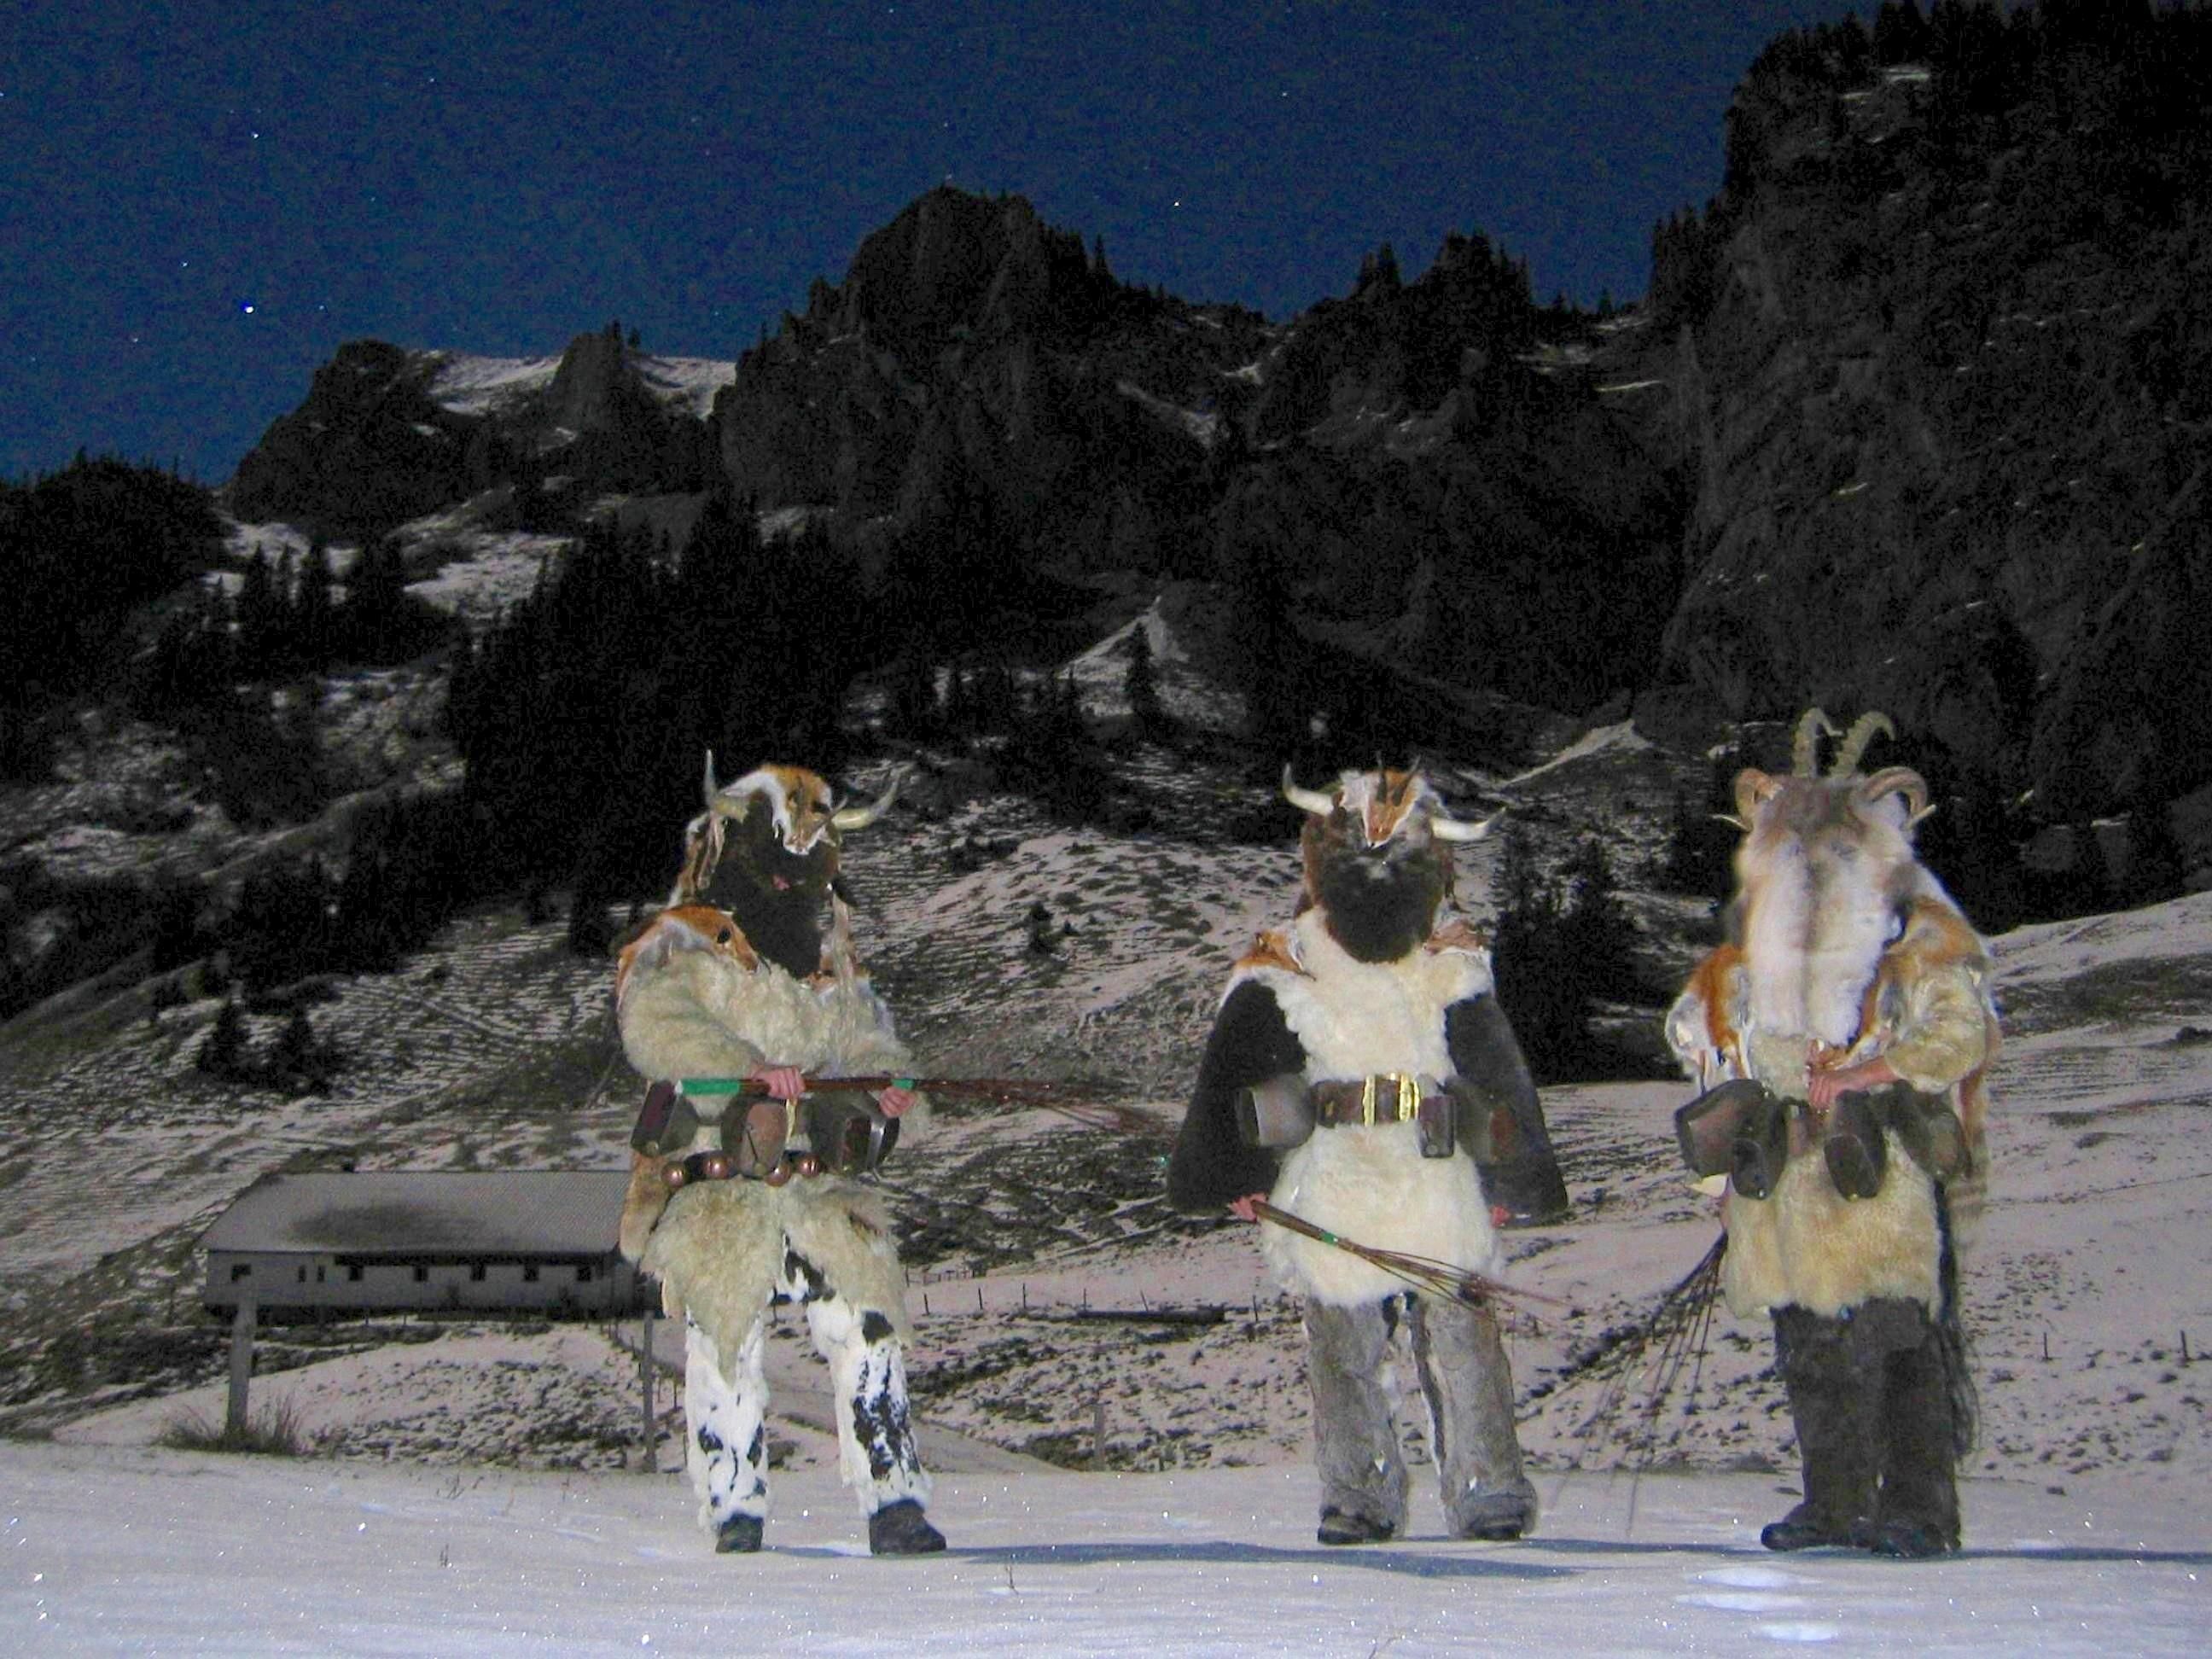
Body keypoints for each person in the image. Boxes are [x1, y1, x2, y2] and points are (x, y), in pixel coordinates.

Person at [1167, 765, 1559, 1545]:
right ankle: (1357, 1497)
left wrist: (1512, 1178)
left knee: (1464, 1341)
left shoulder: (1450, 956)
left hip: (1434, 1166)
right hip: (1333, 1165)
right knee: (1342, 1345)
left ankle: (1488, 1490)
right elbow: (1240, 1058)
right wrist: (1237, 1176)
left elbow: (1489, 1064)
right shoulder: (1290, 959)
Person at [1665, 711, 1996, 1558]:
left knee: (1893, 1336)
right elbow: (1708, 1028)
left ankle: (1919, 1509)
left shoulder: (1911, 921)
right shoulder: (1756, 931)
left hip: (1874, 1156)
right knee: (1806, 1343)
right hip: (1785, 1162)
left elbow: (1962, 1030)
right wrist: (1722, 1156)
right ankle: (1836, 1503)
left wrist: (1867, 1071)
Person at [613, 758, 946, 1556]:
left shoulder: (832, 966)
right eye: (782, 856)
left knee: (869, 1324)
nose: (795, 878)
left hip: (815, 1183)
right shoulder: (682, 943)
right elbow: (651, 1027)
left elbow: (863, 1037)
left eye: (810, 858)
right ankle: (733, 1510)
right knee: (726, 1339)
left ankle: (894, 1501)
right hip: (715, 1181)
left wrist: (886, 1088)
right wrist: (744, 1069)